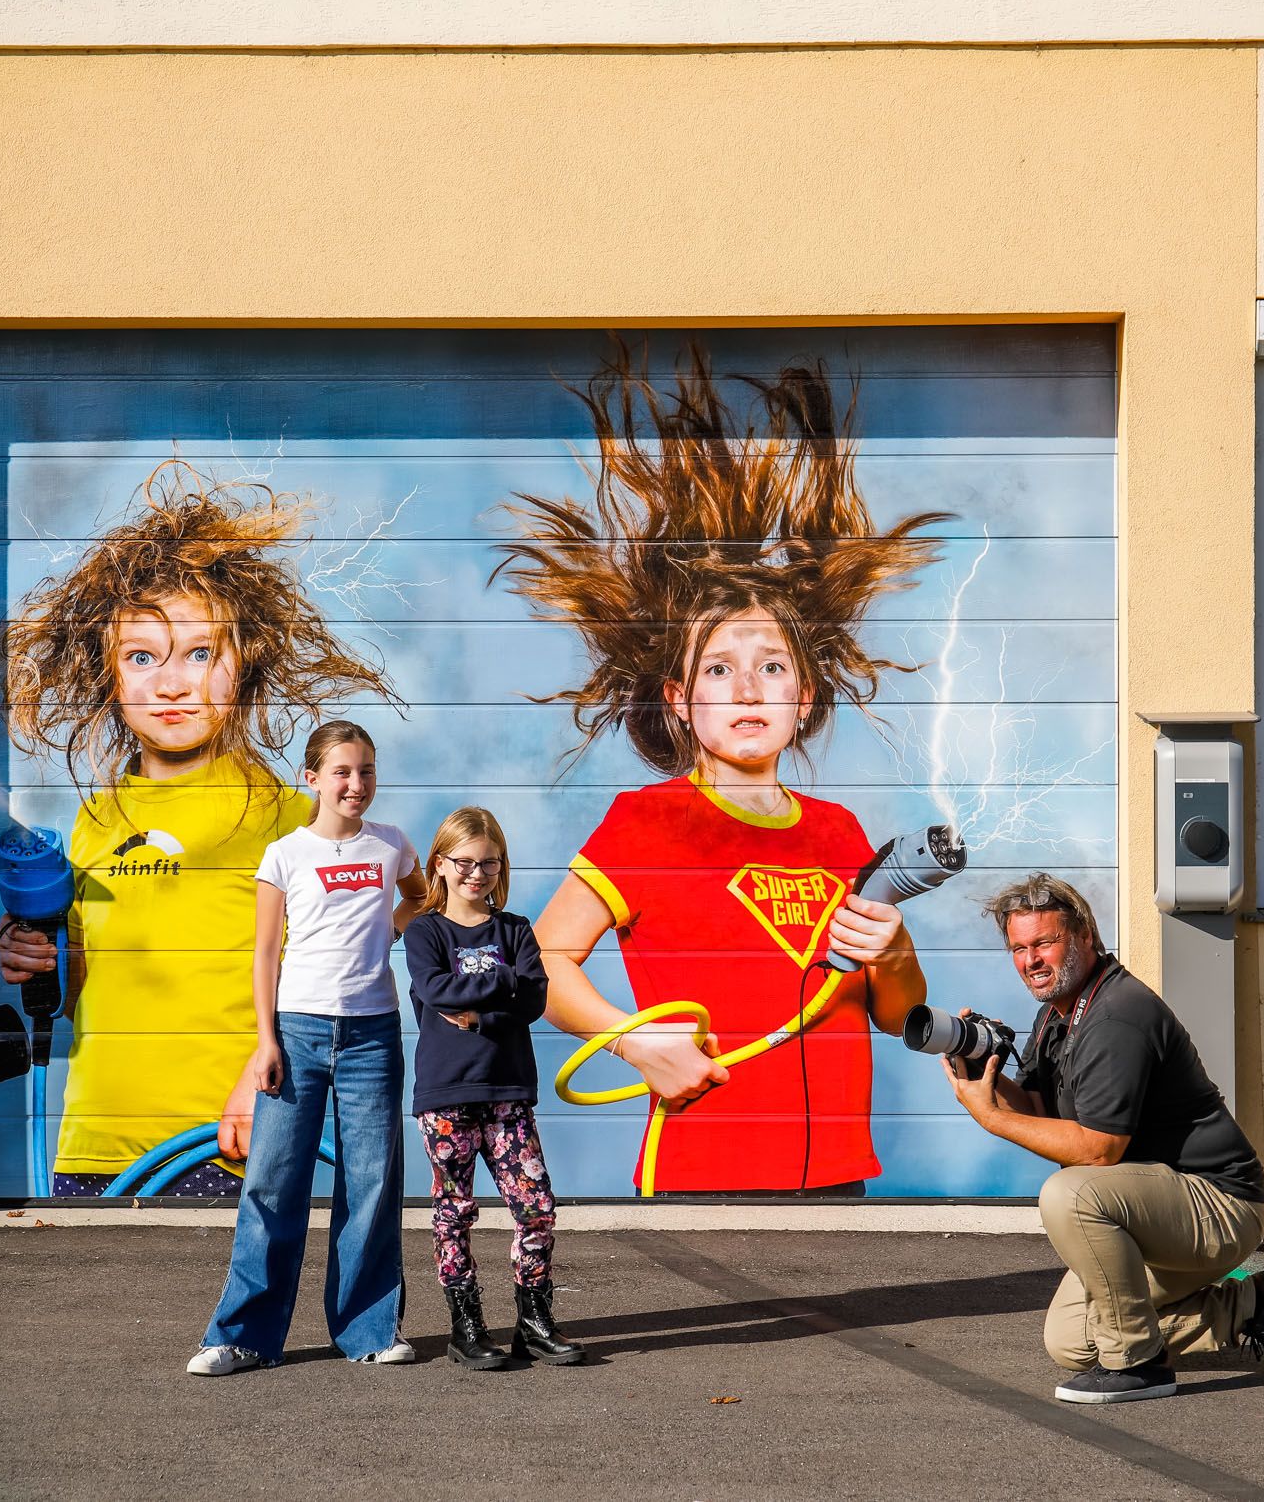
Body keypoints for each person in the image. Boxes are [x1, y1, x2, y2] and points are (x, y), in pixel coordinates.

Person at [497, 343, 949, 1195]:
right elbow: (540, 965)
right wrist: (632, 1040)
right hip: (703, 1172)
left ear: (805, 692)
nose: (748, 687)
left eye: (772, 666)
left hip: (841, 1181)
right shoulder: (646, 820)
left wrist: (894, 953)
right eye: (719, 668)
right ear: (678, 699)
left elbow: (893, 1015)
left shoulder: (839, 832)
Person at [0, 460, 394, 1196]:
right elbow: (89, 987)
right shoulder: (96, 818)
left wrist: (258, 1078)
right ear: (110, 673)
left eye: (200, 653)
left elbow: (339, 976)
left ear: (245, 663)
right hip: (94, 1146)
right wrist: (42, 959)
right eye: (142, 657)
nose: (171, 683)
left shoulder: (285, 815)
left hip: (231, 1141)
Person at [946, 873, 1264, 1404]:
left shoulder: (1117, 1016)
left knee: (1070, 1194)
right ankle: (1250, 1307)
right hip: (1151, 1210)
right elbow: (1041, 1112)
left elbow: (1099, 1150)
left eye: (1045, 942)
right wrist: (985, 1074)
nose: (1031, 961)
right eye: (1019, 949)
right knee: (1072, 1343)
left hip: (1217, 1204)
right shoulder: (1057, 1014)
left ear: (1085, 935)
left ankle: (1139, 1365)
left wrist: (992, 1119)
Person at [188, 720, 428, 1374]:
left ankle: (368, 1331)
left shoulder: (393, 846)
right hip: (296, 1034)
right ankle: (240, 1335)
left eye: (367, 770)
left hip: (373, 1036)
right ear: (312, 777)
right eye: (343, 771)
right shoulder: (285, 854)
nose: (357, 783)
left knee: (372, 1184)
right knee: (273, 1183)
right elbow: (266, 953)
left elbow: (422, 898)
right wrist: (265, 1041)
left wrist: (393, 927)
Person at [405, 806, 583, 1369]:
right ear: (439, 865)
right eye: (464, 862)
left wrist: (484, 1009)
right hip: (447, 1095)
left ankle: (533, 1322)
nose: (476, 874)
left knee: (536, 1209)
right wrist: (502, 984)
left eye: (488, 863)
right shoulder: (425, 931)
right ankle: (466, 1328)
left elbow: (533, 999)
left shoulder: (515, 930)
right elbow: (436, 990)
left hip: (507, 1092)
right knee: (453, 1211)